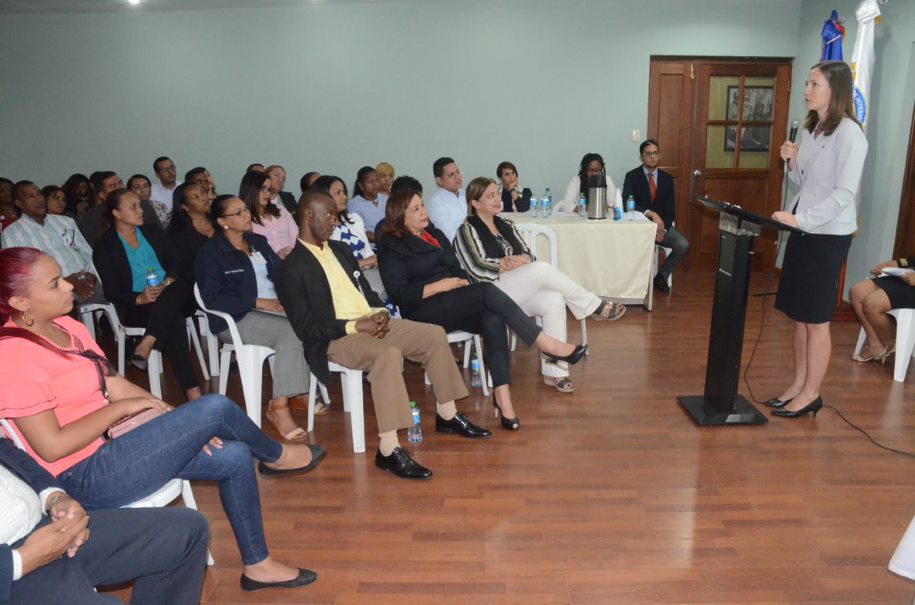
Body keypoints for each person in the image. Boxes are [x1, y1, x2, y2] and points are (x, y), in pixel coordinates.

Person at [0, 247, 324, 593]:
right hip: (82, 476)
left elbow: (111, 383)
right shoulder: (13, 356)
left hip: (115, 445)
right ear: (20, 302)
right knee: (215, 406)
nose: (69, 285)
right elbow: (51, 447)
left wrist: (180, 424)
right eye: (54, 284)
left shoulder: (66, 325)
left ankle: (258, 566)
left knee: (234, 455)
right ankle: (276, 456)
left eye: (62, 277)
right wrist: (123, 410)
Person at [277, 191, 490, 479]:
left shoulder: (340, 249)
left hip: (370, 322)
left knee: (433, 335)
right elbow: (306, 329)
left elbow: (366, 291)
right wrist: (355, 327)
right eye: (327, 215)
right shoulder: (291, 267)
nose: (334, 221)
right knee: (387, 355)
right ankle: (388, 449)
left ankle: (448, 414)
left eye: (335, 215)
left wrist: (379, 312)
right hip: (336, 337)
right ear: (307, 215)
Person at [378, 189, 587, 431]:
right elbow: (399, 294)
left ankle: (503, 398)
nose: (424, 211)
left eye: (422, 205)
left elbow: (456, 268)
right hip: (422, 310)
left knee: (492, 317)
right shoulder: (391, 246)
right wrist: (442, 285)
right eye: (416, 209)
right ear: (399, 216)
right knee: (486, 290)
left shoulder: (434, 234)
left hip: (453, 300)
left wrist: (458, 282)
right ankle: (546, 343)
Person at [454, 177, 626, 394]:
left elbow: (529, 255)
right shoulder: (466, 230)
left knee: (554, 299)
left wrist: (522, 260)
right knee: (541, 269)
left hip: (515, 290)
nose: (497, 199)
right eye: (490, 196)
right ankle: (594, 306)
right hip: (488, 295)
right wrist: (502, 263)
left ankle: (555, 373)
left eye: (497, 194)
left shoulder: (506, 224)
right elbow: (476, 268)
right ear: (475, 203)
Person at [768, 61, 868, 419]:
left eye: (814, 84)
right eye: (807, 84)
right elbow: (806, 184)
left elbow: (844, 194)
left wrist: (801, 219)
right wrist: (792, 163)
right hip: (804, 230)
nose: (807, 90)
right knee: (799, 315)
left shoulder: (850, 134)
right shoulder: (814, 130)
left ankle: (812, 393)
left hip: (827, 236)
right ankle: (798, 384)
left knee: (816, 318)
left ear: (834, 89)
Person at [0, 436, 208, 604]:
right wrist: (20, 560)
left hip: (42, 528)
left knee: (186, 533)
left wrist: (54, 496)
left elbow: (6, 449)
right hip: (10, 571)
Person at [195, 195, 313, 441]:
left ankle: (299, 390)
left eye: (245, 209)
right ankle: (279, 407)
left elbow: (281, 274)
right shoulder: (211, 253)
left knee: (309, 319)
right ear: (222, 221)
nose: (247, 215)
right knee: (291, 332)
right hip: (237, 317)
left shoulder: (257, 241)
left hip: (274, 310)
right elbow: (212, 299)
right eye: (237, 213)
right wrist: (257, 302)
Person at [91, 189, 201, 401]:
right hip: (140, 306)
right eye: (133, 207)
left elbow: (176, 265)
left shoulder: (153, 232)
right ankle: (193, 392)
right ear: (116, 213)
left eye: (140, 206)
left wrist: (165, 284)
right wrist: (139, 298)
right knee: (173, 319)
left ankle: (147, 342)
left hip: (174, 292)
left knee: (179, 285)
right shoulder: (105, 245)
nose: (140, 211)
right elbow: (111, 291)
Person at [1, 181, 103, 306]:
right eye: (31, 196)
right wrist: (62, 283)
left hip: (87, 281)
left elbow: (87, 253)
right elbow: (20, 275)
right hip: (51, 292)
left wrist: (91, 275)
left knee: (116, 289)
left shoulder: (66, 222)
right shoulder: (12, 233)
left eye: (39, 194)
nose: (39, 199)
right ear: (19, 203)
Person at [622, 140, 690, 295]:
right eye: (648, 154)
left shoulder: (667, 179)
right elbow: (627, 203)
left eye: (655, 153)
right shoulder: (632, 176)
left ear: (660, 156)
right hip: (639, 228)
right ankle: (634, 283)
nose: (652, 157)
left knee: (683, 244)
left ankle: (661, 276)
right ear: (641, 157)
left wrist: (662, 229)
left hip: (661, 227)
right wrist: (651, 213)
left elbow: (670, 210)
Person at [312, 175, 386, 299]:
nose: (345, 197)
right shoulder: (321, 231)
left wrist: (375, 261)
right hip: (343, 287)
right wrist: (362, 263)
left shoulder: (355, 219)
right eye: (338, 193)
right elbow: (328, 269)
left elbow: (368, 253)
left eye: (344, 192)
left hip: (369, 276)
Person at [849, 255, 915, 362]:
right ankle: (875, 345)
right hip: (910, 278)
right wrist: (896, 264)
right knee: (858, 290)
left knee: (872, 303)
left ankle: (891, 342)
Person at [239, 171, 298, 259]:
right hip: (267, 263)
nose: (268, 193)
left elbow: (296, 236)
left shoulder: (281, 210)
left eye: (269, 189)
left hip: (292, 259)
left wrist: (292, 253)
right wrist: (275, 257)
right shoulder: (244, 217)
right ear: (251, 189)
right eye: (263, 188)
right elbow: (249, 250)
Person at [167, 182, 215, 283]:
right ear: (184, 206)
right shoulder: (179, 234)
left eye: (203, 193)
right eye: (195, 197)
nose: (204, 198)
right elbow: (182, 268)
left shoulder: (220, 221)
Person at [425, 157, 466, 243]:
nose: (457, 177)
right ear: (439, 181)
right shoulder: (436, 203)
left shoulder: (464, 194)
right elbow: (449, 236)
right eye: (451, 175)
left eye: (457, 172)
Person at [78, 171, 122, 244]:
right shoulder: (92, 217)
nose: (120, 188)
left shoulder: (138, 207)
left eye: (120, 183)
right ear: (102, 195)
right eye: (113, 186)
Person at [347, 166, 388, 242]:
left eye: (377, 180)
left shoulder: (386, 199)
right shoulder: (353, 204)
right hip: (370, 245)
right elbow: (361, 232)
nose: (375, 184)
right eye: (370, 181)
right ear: (361, 185)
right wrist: (385, 241)